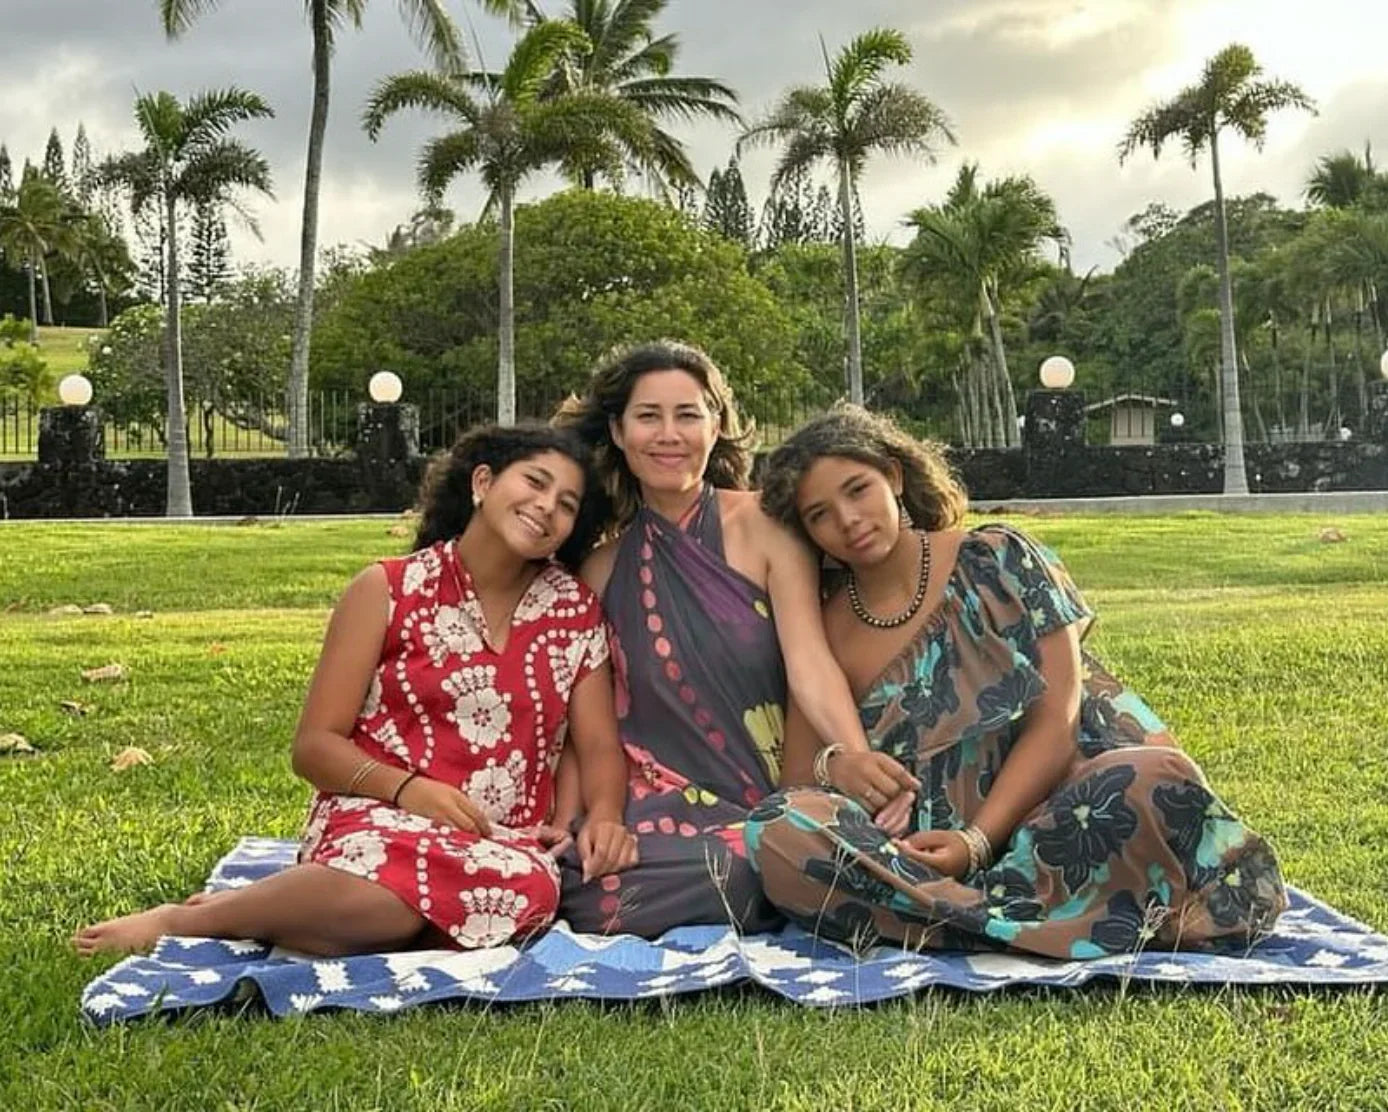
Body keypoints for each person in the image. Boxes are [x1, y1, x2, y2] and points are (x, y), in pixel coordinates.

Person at [743, 405, 1288, 957]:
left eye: (857, 489)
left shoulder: (997, 558)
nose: (848, 519)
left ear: (895, 475)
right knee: (779, 829)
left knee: (1154, 774)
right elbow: (795, 783)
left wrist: (974, 843)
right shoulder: (823, 625)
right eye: (819, 514)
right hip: (905, 859)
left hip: (1045, 830)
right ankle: (1045, 920)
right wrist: (841, 765)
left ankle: (961, 921)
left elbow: (1059, 721)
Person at [76, 424, 637, 958]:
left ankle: (318, 917)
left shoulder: (573, 610)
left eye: (567, 504)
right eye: (535, 483)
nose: (547, 507)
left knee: (527, 891)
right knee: (380, 900)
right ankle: (190, 921)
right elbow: (314, 747)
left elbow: (596, 745)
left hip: (496, 843)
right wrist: (411, 791)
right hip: (376, 818)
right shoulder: (386, 589)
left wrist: (600, 815)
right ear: (483, 483)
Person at [550, 342, 916, 938]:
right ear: (618, 431)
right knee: (584, 874)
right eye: (648, 416)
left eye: (688, 415)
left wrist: (853, 756)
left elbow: (809, 661)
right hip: (656, 805)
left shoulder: (767, 529)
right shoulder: (600, 569)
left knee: (770, 859)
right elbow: (588, 723)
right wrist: (583, 819)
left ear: (715, 426)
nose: (669, 434)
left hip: (769, 803)